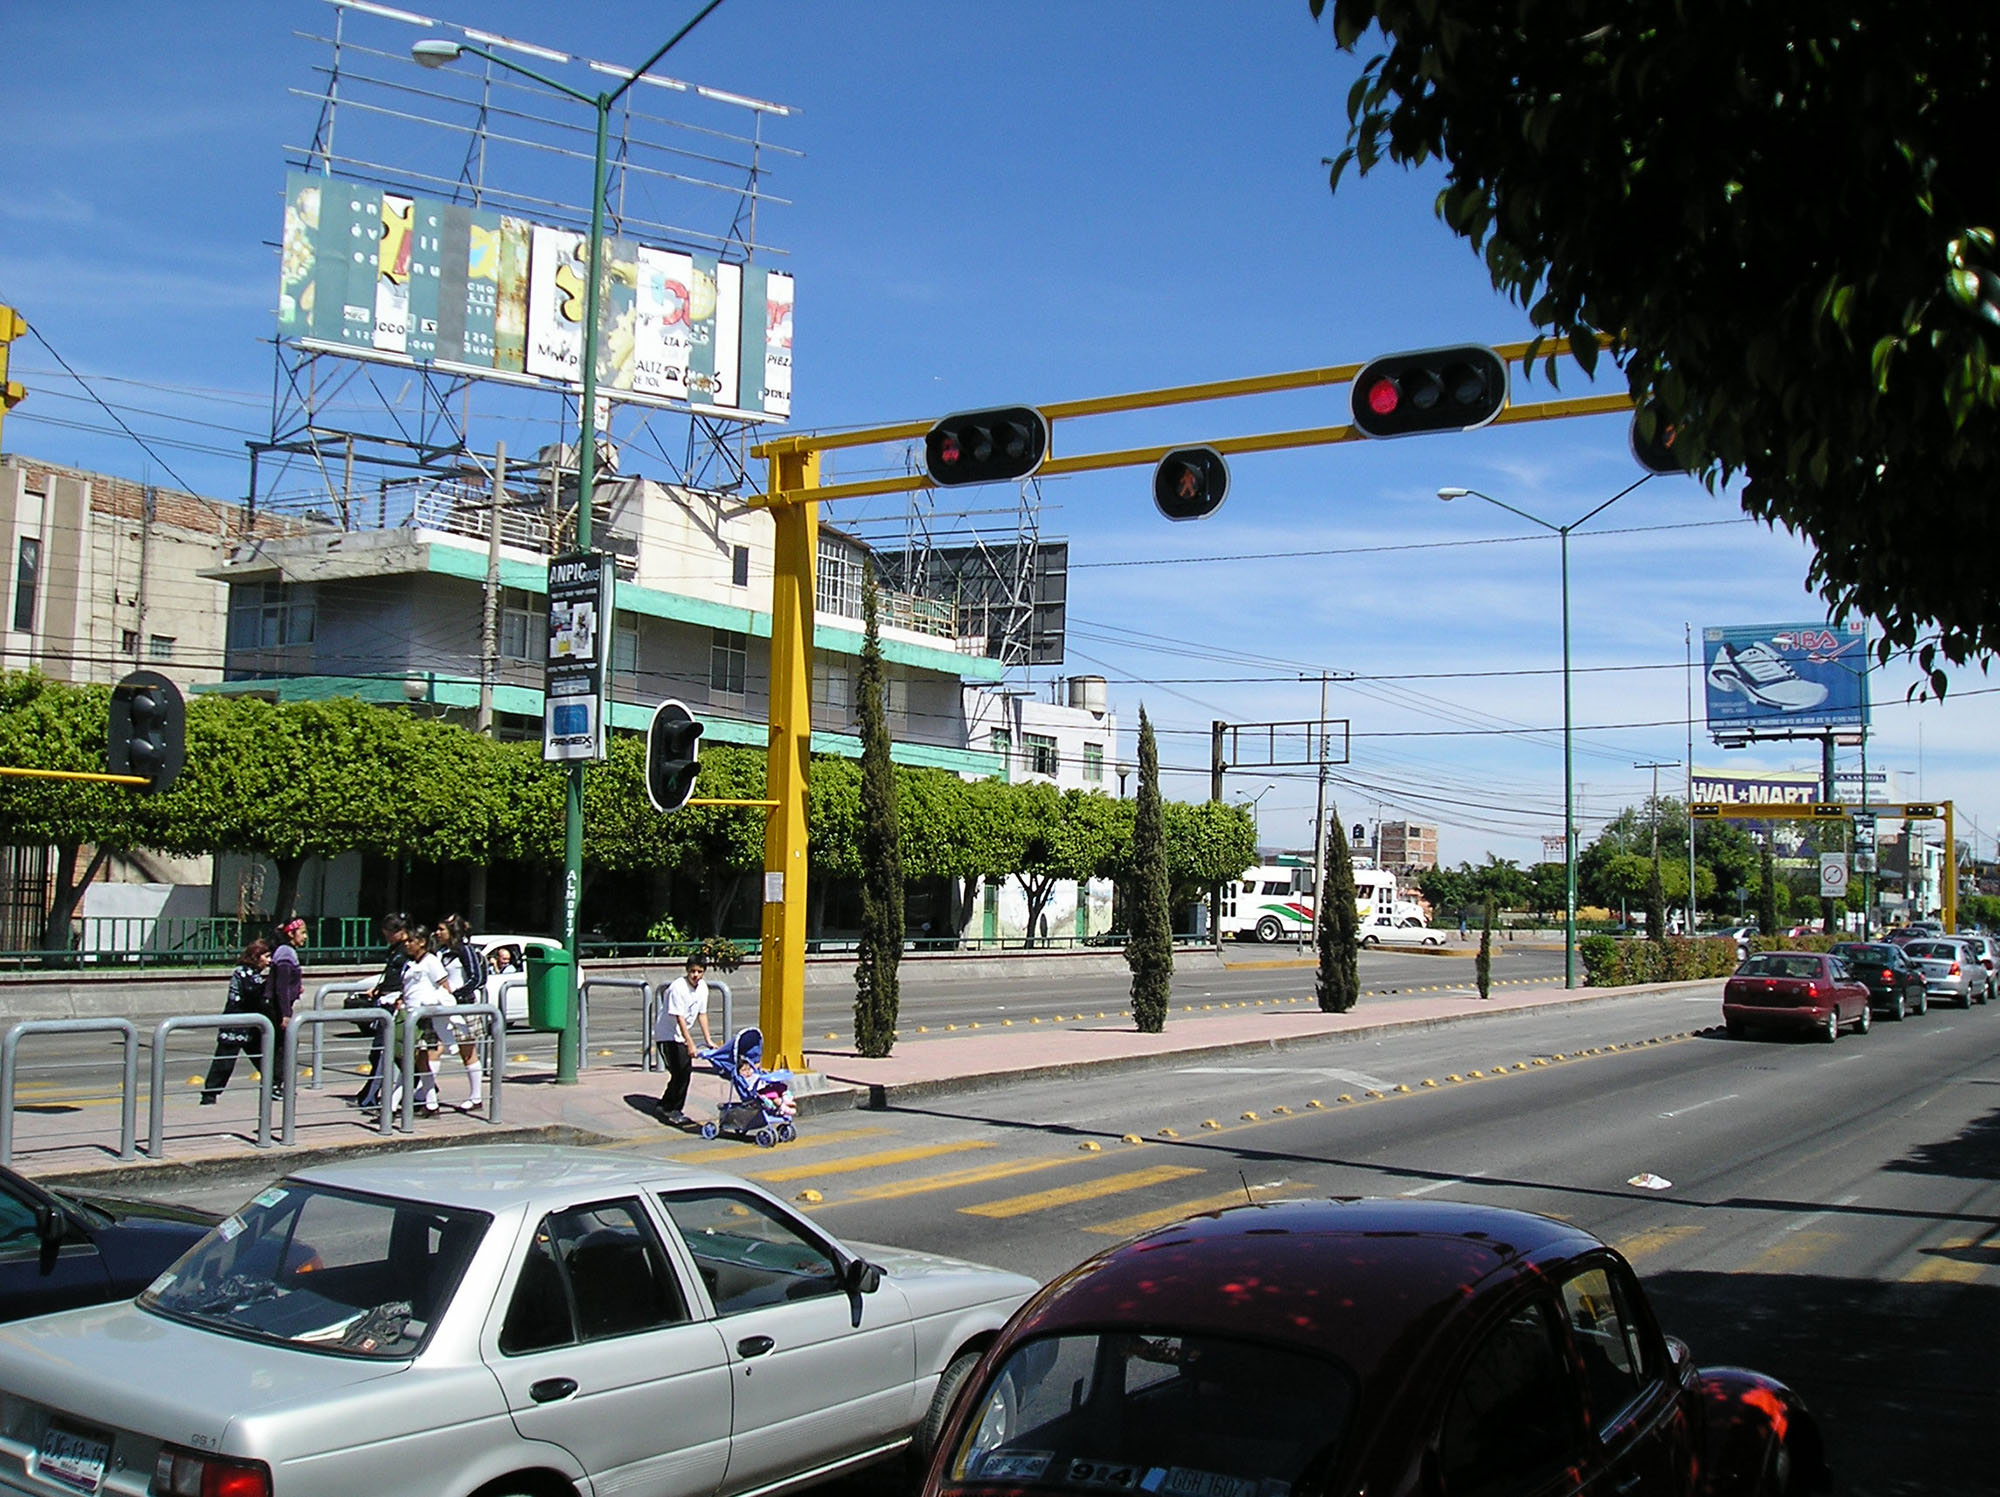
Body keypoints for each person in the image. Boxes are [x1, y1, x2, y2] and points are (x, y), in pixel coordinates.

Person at [200, 939, 274, 1104]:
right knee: (224, 1062)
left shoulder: (255, 975)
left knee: (265, 1058)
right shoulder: (243, 972)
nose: (269, 961)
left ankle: (274, 1085)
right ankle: (209, 1094)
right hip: (235, 1025)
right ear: (256, 956)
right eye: (266, 956)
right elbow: (253, 995)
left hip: (252, 1026)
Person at [432, 914, 486, 1112]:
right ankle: (427, 1096)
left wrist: (457, 995)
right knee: (433, 1048)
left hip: (462, 1008)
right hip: (440, 1006)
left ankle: (476, 1096)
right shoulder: (439, 952)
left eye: (441, 929)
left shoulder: (465, 950)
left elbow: (476, 978)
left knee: (468, 1052)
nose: (437, 933)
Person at [654, 955, 714, 1126]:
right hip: (668, 1035)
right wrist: (690, 1043)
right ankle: (671, 1109)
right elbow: (679, 1018)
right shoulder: (677, 988)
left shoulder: (703, 988)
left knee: (683, 1072)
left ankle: (667, 1104)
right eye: (692, 971)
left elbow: (702, 1014)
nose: (695, 975)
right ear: (687, 970)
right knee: (681, 1072)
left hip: (681, 1035)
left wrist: (708, 1039)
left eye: (699, 971)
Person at [265, 917, 308, 1099]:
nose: (305, 937)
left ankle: (277, 1083)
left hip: (282, 1006)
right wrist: (285, 1014)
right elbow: (280, 987)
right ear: (291, 933)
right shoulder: (285, 953)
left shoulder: (288, 951)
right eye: (303, 932)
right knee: (284, 1046)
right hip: (278, 1008)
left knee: (285, 1045)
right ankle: (275, 1085)